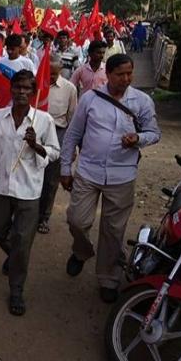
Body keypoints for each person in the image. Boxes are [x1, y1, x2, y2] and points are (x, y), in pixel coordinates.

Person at [60, 54, 161, 303]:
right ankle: (81, 251)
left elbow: (154, 132)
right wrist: (65, 168)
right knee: (77, 220)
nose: (126, 79)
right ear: (108, 75)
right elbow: (73, 134)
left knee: (113, 230)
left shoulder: (142, 101)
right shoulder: (90, 99)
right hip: (88, 171)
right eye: (120, 74)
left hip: (122, 175)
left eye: (129, 73)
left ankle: (108, 278)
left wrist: (139, 139)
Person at [0, 70, 60, 316]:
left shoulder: (43, 120)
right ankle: (15, 257)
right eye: (18, 87)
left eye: (26, 88)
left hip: (29, 190)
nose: (21, 92)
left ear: (33, 92)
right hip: (0, 186)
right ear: (11, 89)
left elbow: (54, 151)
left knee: (23, 242)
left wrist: (36, 145)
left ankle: (16, 289)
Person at [38, 55, 77, 235]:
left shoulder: (69, 89)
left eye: (53, 74)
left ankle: (44, 217)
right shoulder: (37, 84)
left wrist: (71, 147)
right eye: (48, 73)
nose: (50, 77)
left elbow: (72, 120)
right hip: (37, 133)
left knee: (51, 180)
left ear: (60, 70)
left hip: (58, 133)